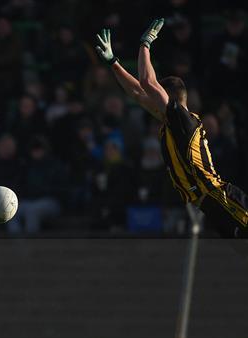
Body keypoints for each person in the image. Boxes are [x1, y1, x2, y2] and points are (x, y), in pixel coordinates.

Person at [95, 19, 248, 239]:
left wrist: (145, 44)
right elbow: (138, 93)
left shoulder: (182, 119)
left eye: (157, 96)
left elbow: (147, 82)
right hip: (209, 206)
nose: (151, 101)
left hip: (221, 198)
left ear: (170, 98)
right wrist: (113, 63)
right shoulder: (172, 121)